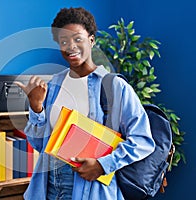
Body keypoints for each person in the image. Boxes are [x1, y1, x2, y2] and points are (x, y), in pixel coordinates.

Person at [15, 7, 155, 200]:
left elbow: (143, 141)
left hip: (91, 187)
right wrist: (36, 107)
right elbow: (41, 145)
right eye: (63, 41)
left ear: (91, 40)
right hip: (48, 186)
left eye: (77, 39)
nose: (70, 46)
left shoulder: (114, 86)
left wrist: (102, 165)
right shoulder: (53, 85)